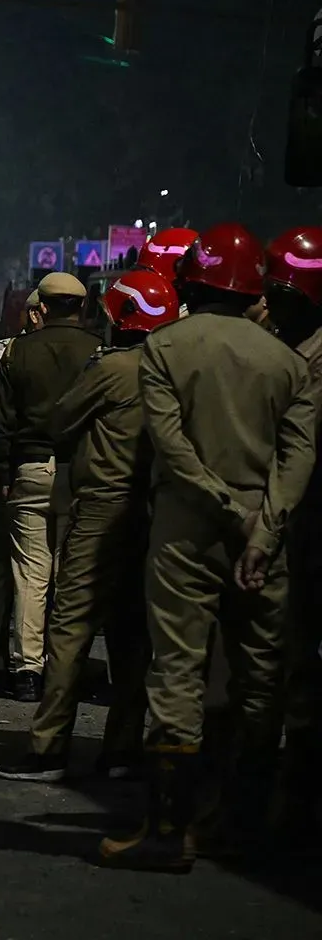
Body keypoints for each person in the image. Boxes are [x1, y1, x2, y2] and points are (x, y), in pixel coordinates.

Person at [103, 225, 315, 871]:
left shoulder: (167, 346)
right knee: (258, 678)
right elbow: (298, 452)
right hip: (263, 535)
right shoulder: (287, 360)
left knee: (177, 671)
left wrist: (221, 505)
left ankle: (168, 830)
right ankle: (243, 825)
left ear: (192, 281)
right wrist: (265, 526)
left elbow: (170, 443)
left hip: (187, 530)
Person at [0, 269, 175, 783]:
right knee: (131, 633)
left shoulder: (113, 368)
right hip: (154, 508)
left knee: (70, 626)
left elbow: (60, 422)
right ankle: (122, 748)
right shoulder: (172, 367)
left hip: (101, 507)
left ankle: (50, 747)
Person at [0, 271, 102, 703]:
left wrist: (2, 475)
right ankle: (65, 666)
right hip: (79, 471)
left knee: (29, 576)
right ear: (81, 307)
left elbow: (3, 422)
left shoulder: (17, 351)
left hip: (29, 470)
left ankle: (27, 669)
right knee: (69, 575)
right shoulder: (97, 351)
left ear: (44, 306)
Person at [261, 227, 322, 839]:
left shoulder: (307, 357)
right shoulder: (290, 346)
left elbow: (296, 452)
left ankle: (294, 802)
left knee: (295, 664)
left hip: (303, 522)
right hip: (296, 520)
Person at [0, 289, 42, 674]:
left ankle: (25, 659)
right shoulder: (0, 355)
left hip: (22, 475)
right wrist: (5, 460)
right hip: (5, 477)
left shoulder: (46, 355)